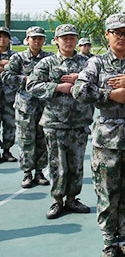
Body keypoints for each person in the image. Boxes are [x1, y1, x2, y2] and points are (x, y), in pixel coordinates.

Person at [72, 14, 125, 257]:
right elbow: (79, 90)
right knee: (107, 190)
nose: (122, 37)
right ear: (107, 35)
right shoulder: (97, 63)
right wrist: (109, 95)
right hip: (107, 135)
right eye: (117, 32)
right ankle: (109, 242)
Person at [26, 24, 93, 219]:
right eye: (64, 38)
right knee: (57, 164)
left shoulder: (87, 63)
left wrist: (80, 79)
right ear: (56, 40)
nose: (69, 41)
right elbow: (32, 85)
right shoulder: (47, 63)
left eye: (72, 37)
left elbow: (99, 81)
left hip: (79, 121)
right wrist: (58, 87)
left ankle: (72, 198)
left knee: (76, 163)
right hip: (55, 122)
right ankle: (57, 200)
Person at [2, 26, 53, 188]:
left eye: (40, 38)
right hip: (25, 106)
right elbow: (6, 76)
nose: (37, 41)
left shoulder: (50, 58)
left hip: (44, 105)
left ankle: (39, 171)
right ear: (27, 39)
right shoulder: (18, 58)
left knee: (42, 139)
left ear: (44, 40)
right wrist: (25, 79)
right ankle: (27, 173)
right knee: (25, 139)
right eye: (34, 38)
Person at [0, 26, 17, 162]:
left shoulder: (15, 56)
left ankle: (7, 150)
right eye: (0, 36)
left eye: (5, 37)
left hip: (9, 96)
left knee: (10, 124)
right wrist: (5, 64)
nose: (2, 39)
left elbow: (17, 68)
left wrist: (6, 65)